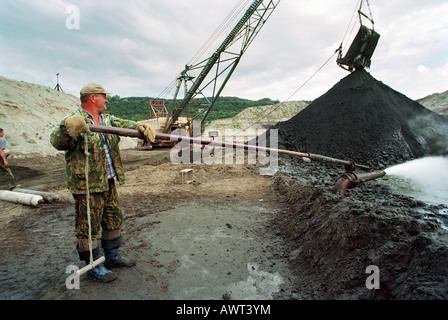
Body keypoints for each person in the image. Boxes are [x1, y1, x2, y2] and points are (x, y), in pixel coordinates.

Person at [50, 83, 156, 282]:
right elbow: (57, 142)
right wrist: (66, 131)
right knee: (88, 226)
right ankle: (93, 265)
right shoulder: (75, 119)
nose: (107, 100)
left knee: (113, 218)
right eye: (103, 96)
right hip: (87, 184)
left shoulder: (107, 119)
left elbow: (125, 124)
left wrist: (140, 126)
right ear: (92, 98)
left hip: (108, 180)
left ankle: (112, 257)